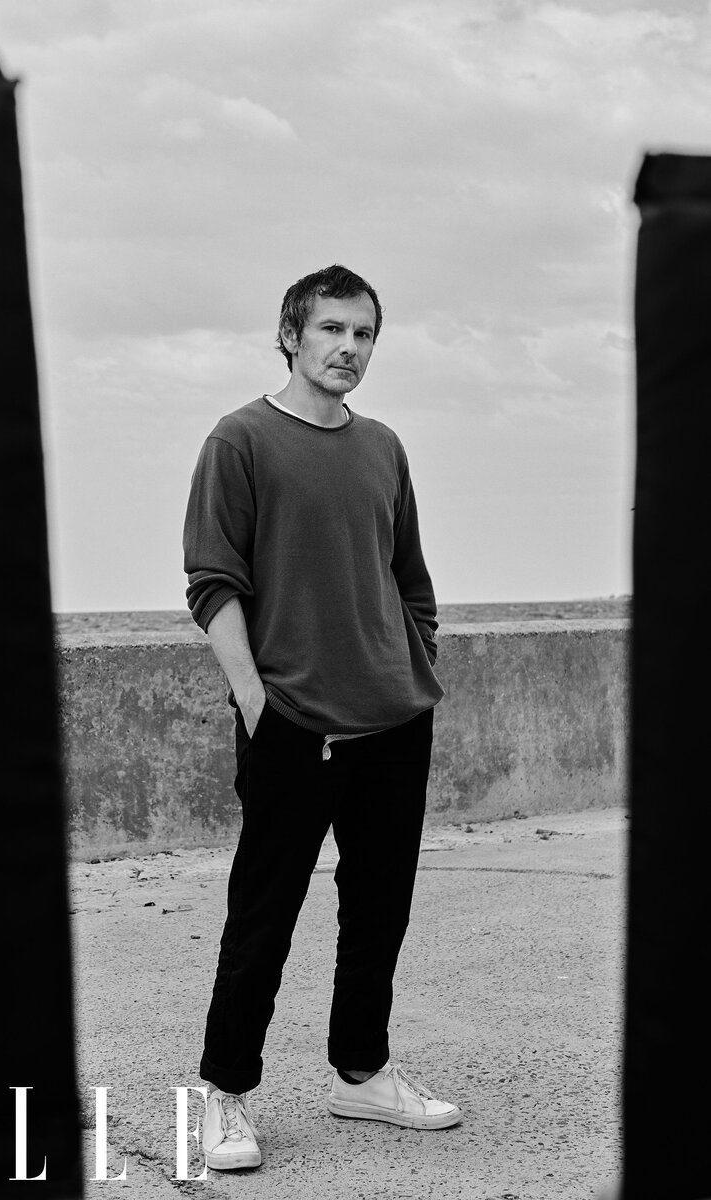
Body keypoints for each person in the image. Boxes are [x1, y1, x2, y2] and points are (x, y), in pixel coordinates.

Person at [183, 263, 461, 1171]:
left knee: (378, 914)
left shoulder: (383, 446)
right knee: (262, 917)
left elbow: (409, 576)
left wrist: (415, 656)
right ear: (291, 336)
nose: (349, 348)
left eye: (364, 333)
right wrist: (256, 703)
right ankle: (223, 1093)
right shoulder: (241, 439)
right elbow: (213, 581)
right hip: (293, 727)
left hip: (394, 721)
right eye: (332, 329)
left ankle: (362, 1073)